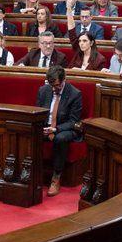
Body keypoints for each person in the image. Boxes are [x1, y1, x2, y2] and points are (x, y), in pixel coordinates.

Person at [36, 65, 83, 196]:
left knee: (60, 138)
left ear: (64, 80)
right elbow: (38, 112)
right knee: (30, 132)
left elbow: (74, 121)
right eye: (51, 85)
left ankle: (56, 178)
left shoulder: (75, 94)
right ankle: (32, 173)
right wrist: (42, 127)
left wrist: (55, 129)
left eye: (56, 85)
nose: (53, 89)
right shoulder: (44, 90)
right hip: (47, 126)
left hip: (66, 128)